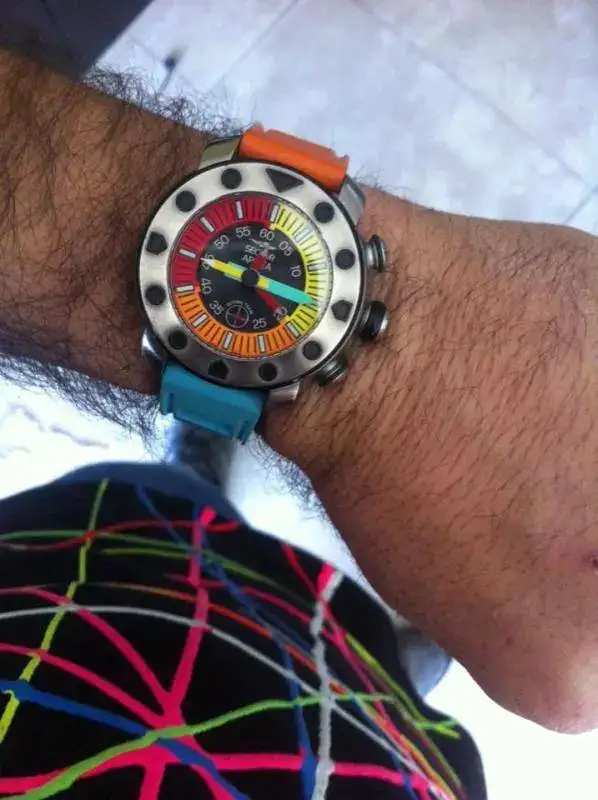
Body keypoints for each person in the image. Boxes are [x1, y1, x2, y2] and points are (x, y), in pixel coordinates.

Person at [0, 42, 597, 800]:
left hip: (54, 616)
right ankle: (380, 675)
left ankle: (204, 468)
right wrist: (399, 377)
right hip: (355, 765)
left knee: (149, 517)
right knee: (365, 692)